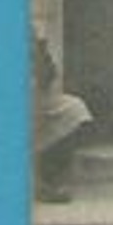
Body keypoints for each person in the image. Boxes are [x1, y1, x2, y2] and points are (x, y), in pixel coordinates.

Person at [33, 35, 92, 204]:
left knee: (74, 108)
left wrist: (40, 54)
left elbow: (48, 75)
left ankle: (51, 181)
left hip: (35, 100)